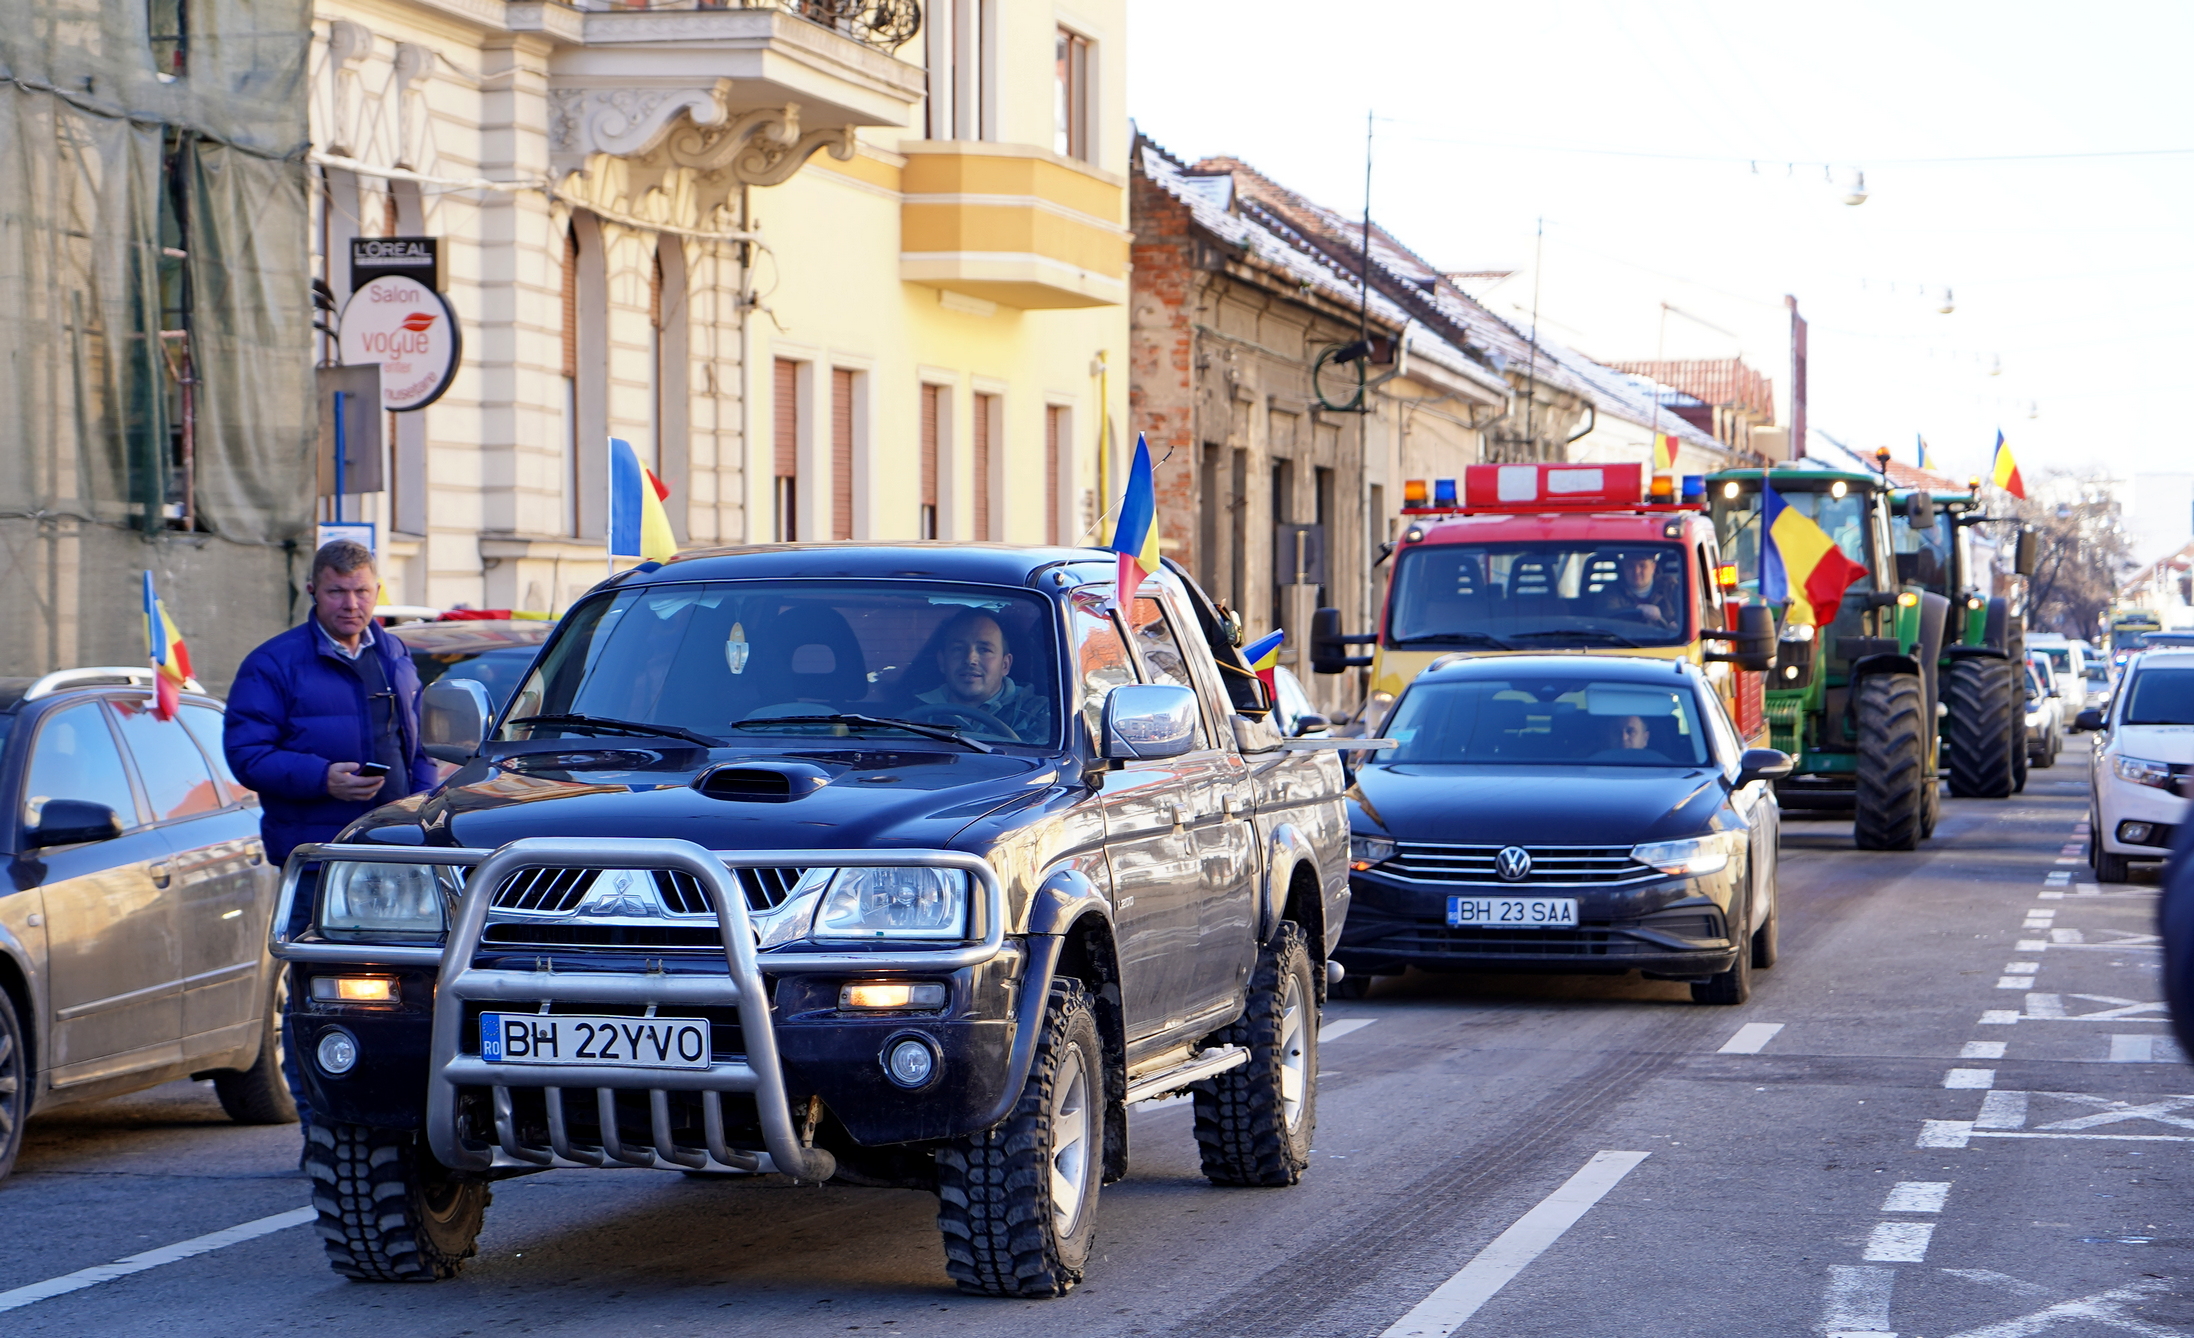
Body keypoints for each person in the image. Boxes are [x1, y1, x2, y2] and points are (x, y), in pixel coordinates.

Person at [224, 540, 437, 866]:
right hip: (317, 856)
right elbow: (247, 755)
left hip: (398, 850)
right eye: (336, 592)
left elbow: (420, 748)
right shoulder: (272, 663)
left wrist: (419, 808)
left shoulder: (395, 653)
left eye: (362, 591)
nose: (351, 604)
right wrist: (323, 778)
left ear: (377, 591)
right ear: (313, 591)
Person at [914, 611, 1050, 741]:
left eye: (984, 649)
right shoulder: (911, 708)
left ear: (1005, 665)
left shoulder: (1039, 713)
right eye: (958, 649)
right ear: (942, 662)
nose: (970, 659)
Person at [1598, 552, 1681, 628]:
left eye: (1642, 566)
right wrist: (1638, 608)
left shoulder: (1670, 587)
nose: (1636, 571)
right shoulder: (1610, 591)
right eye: (1630, 566)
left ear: (1653, 567)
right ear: (1623, 568)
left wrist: (1676, 627)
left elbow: (1687, 615)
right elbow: (1604, 617)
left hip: (1667, 643)